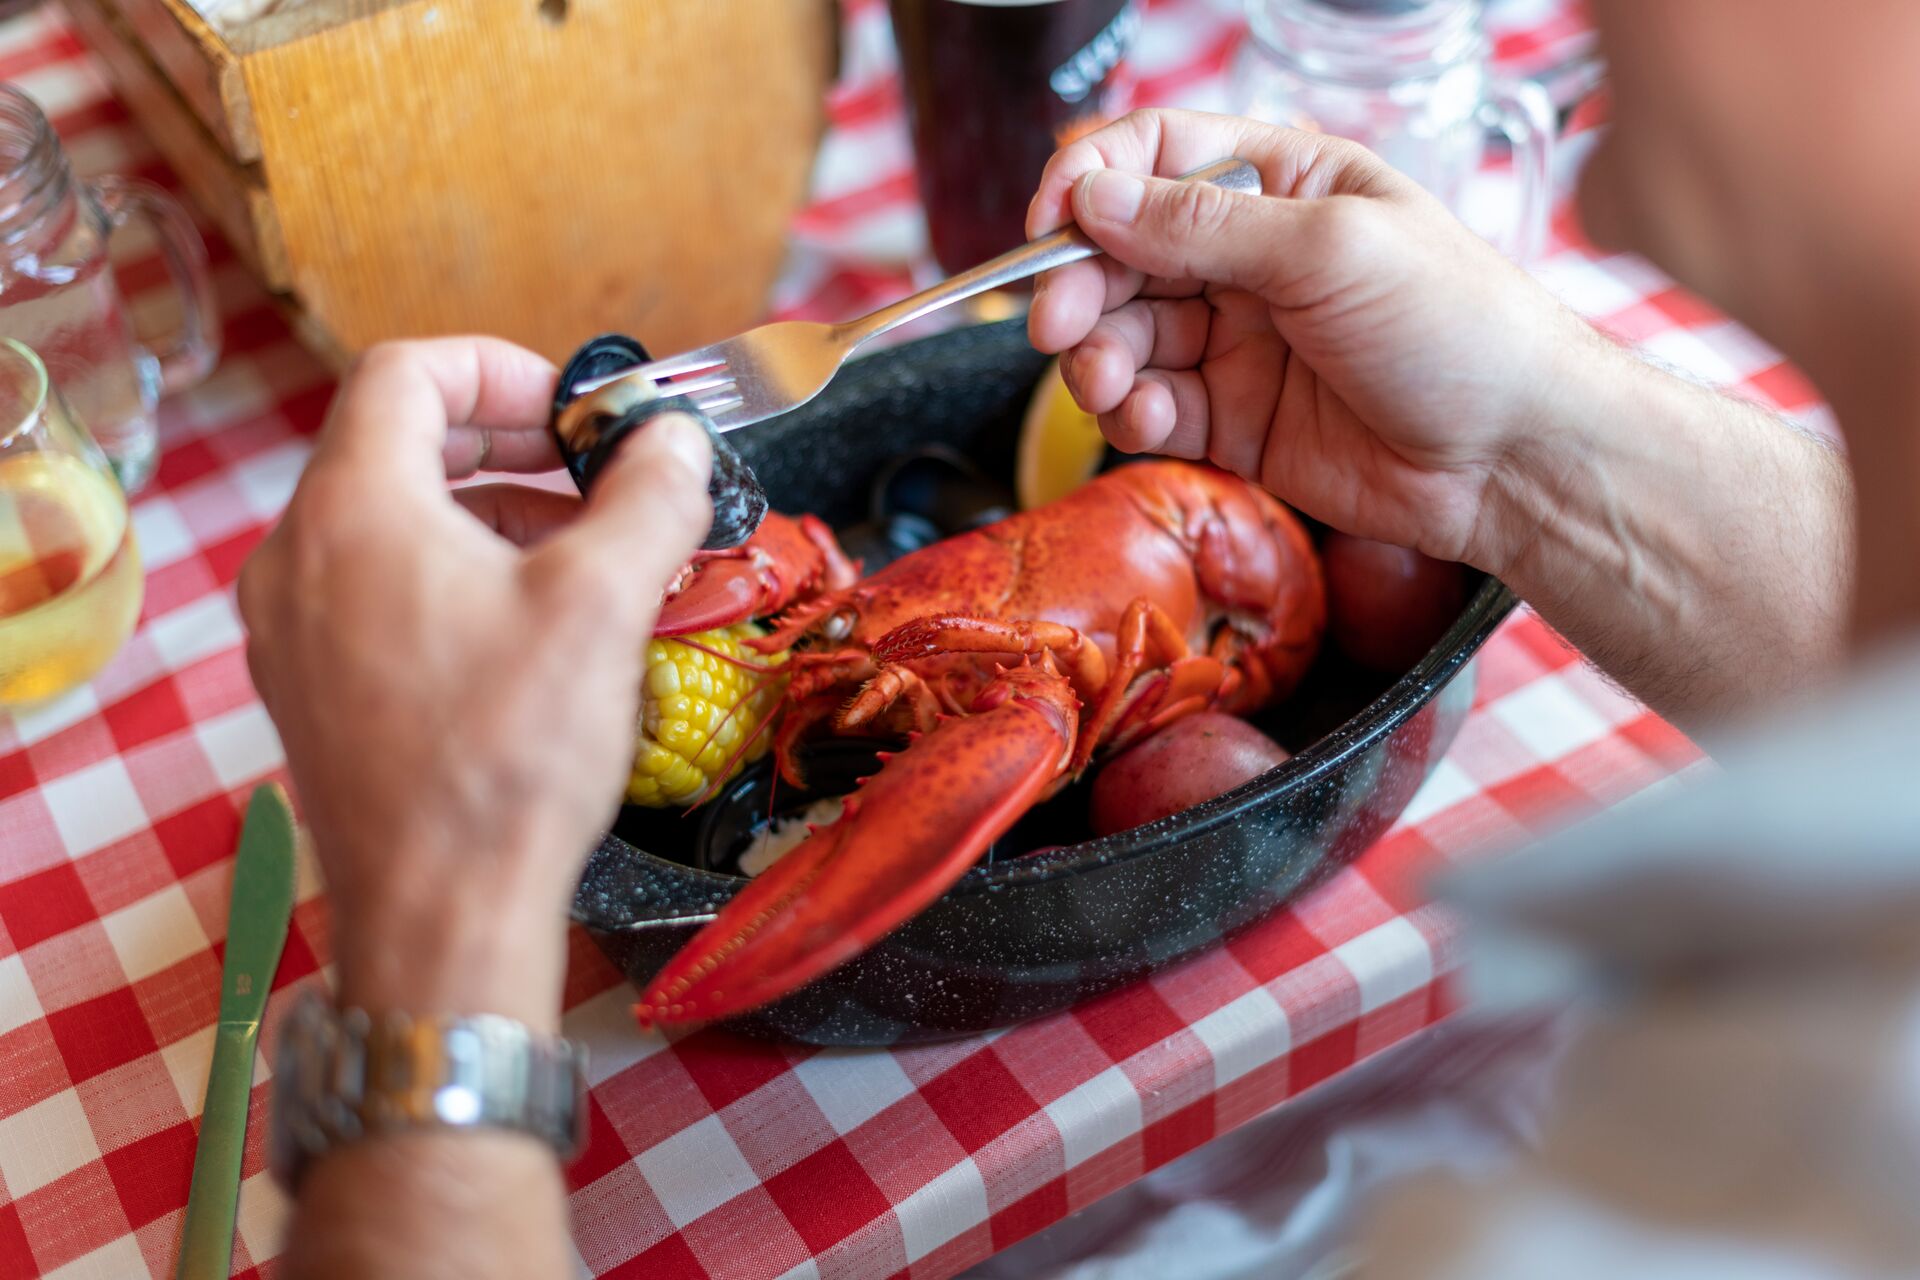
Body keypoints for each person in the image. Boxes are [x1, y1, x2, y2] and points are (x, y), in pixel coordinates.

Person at [238, 1, 1916, 1275]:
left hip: (1213, 602)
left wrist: (437, 931)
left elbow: (1031, 701)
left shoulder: (1736, 1174)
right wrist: (1521, 445)